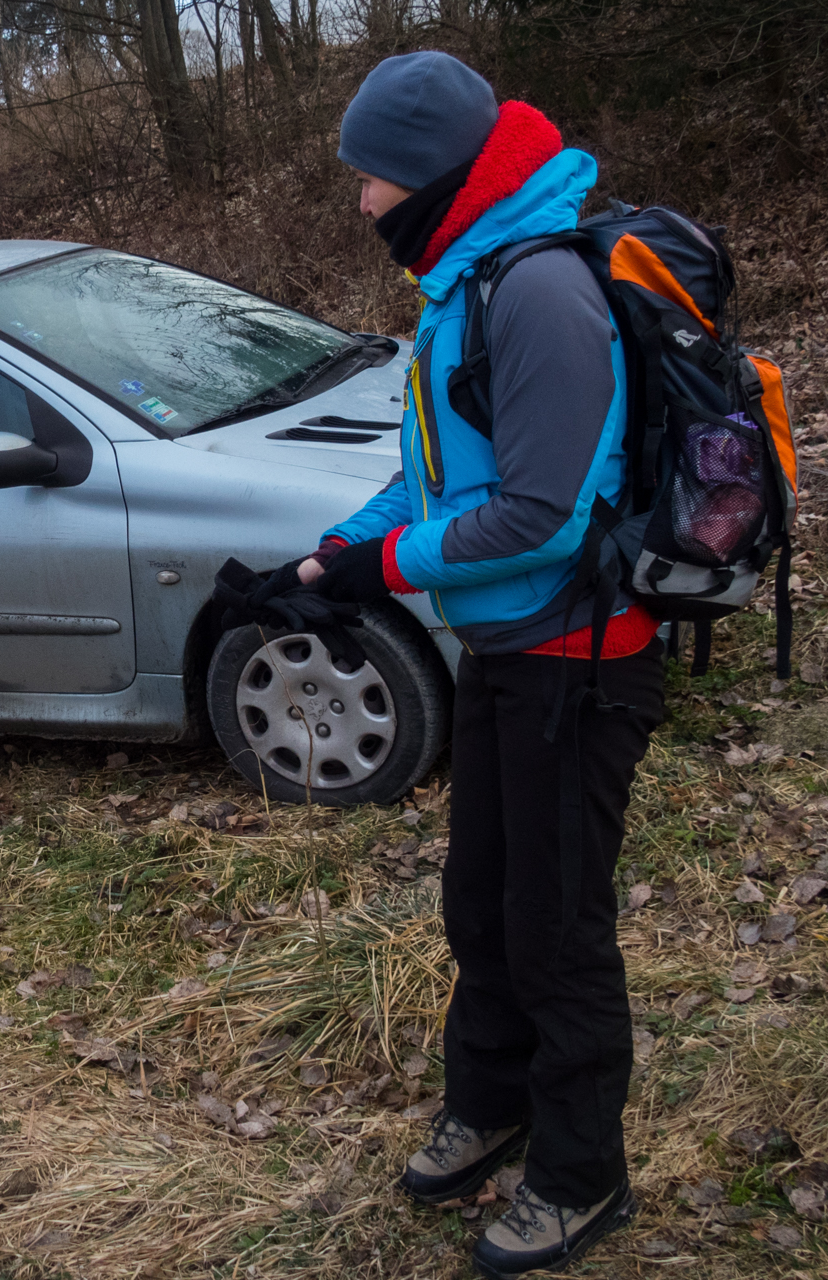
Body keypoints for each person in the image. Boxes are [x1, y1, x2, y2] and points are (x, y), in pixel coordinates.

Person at [258, 52, 663, 1278]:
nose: (360, 201)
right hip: (504, 647)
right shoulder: (463, 282)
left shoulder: (536, 291)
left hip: (576, 658)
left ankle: (582, 1171)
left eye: (372, 175)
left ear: (432, 173)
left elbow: (538, 513)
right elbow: (442, 477)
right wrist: (342, 547)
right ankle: (492, 1104)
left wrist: (395, 569)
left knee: (555, 925)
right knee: (479, 903)